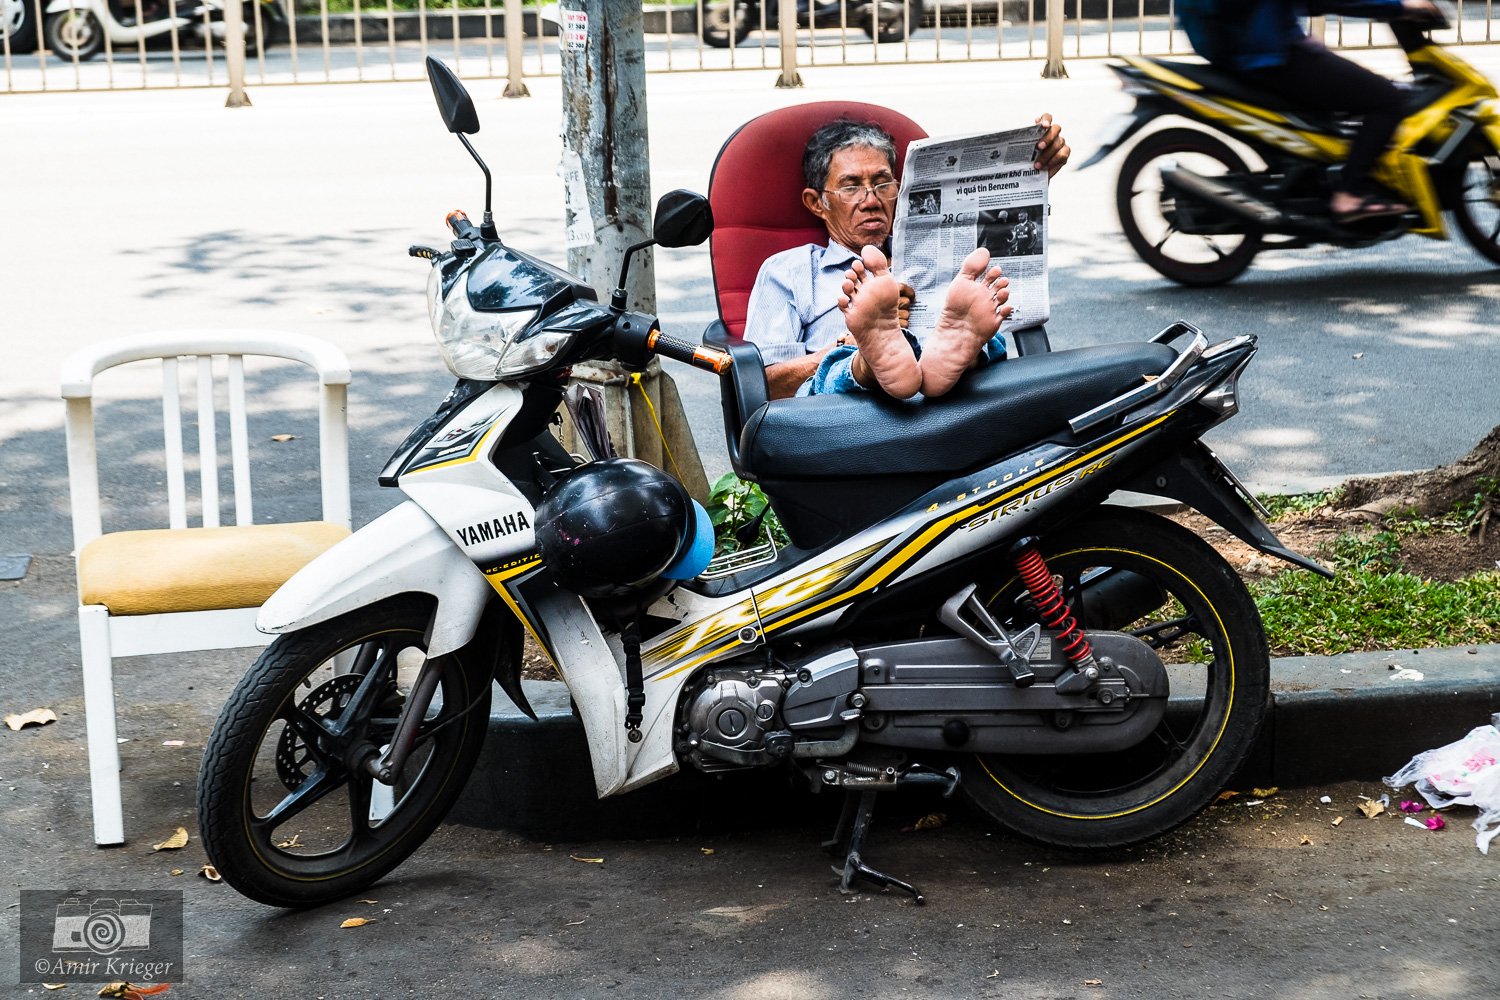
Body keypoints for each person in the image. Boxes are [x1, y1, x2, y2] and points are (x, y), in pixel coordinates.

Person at [742, 116, 1070, 400]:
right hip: (846, 412)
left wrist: (1033, 172)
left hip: (948, 399)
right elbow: (764, 385)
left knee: (980, 325)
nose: (871, 200)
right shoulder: (790, 270)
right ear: (817, 203)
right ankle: (867, 360)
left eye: (882, 183)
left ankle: (957, 350)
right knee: (840, 371)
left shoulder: (935, 249)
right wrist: (852, 343)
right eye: (851, 186)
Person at [1178, 0, 1441, 223]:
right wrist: (1399, 6)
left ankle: (1315, 176)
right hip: (1269, 55)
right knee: (1388, 99)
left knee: (1338, 95)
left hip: (1250, 49)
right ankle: (1350, 193)